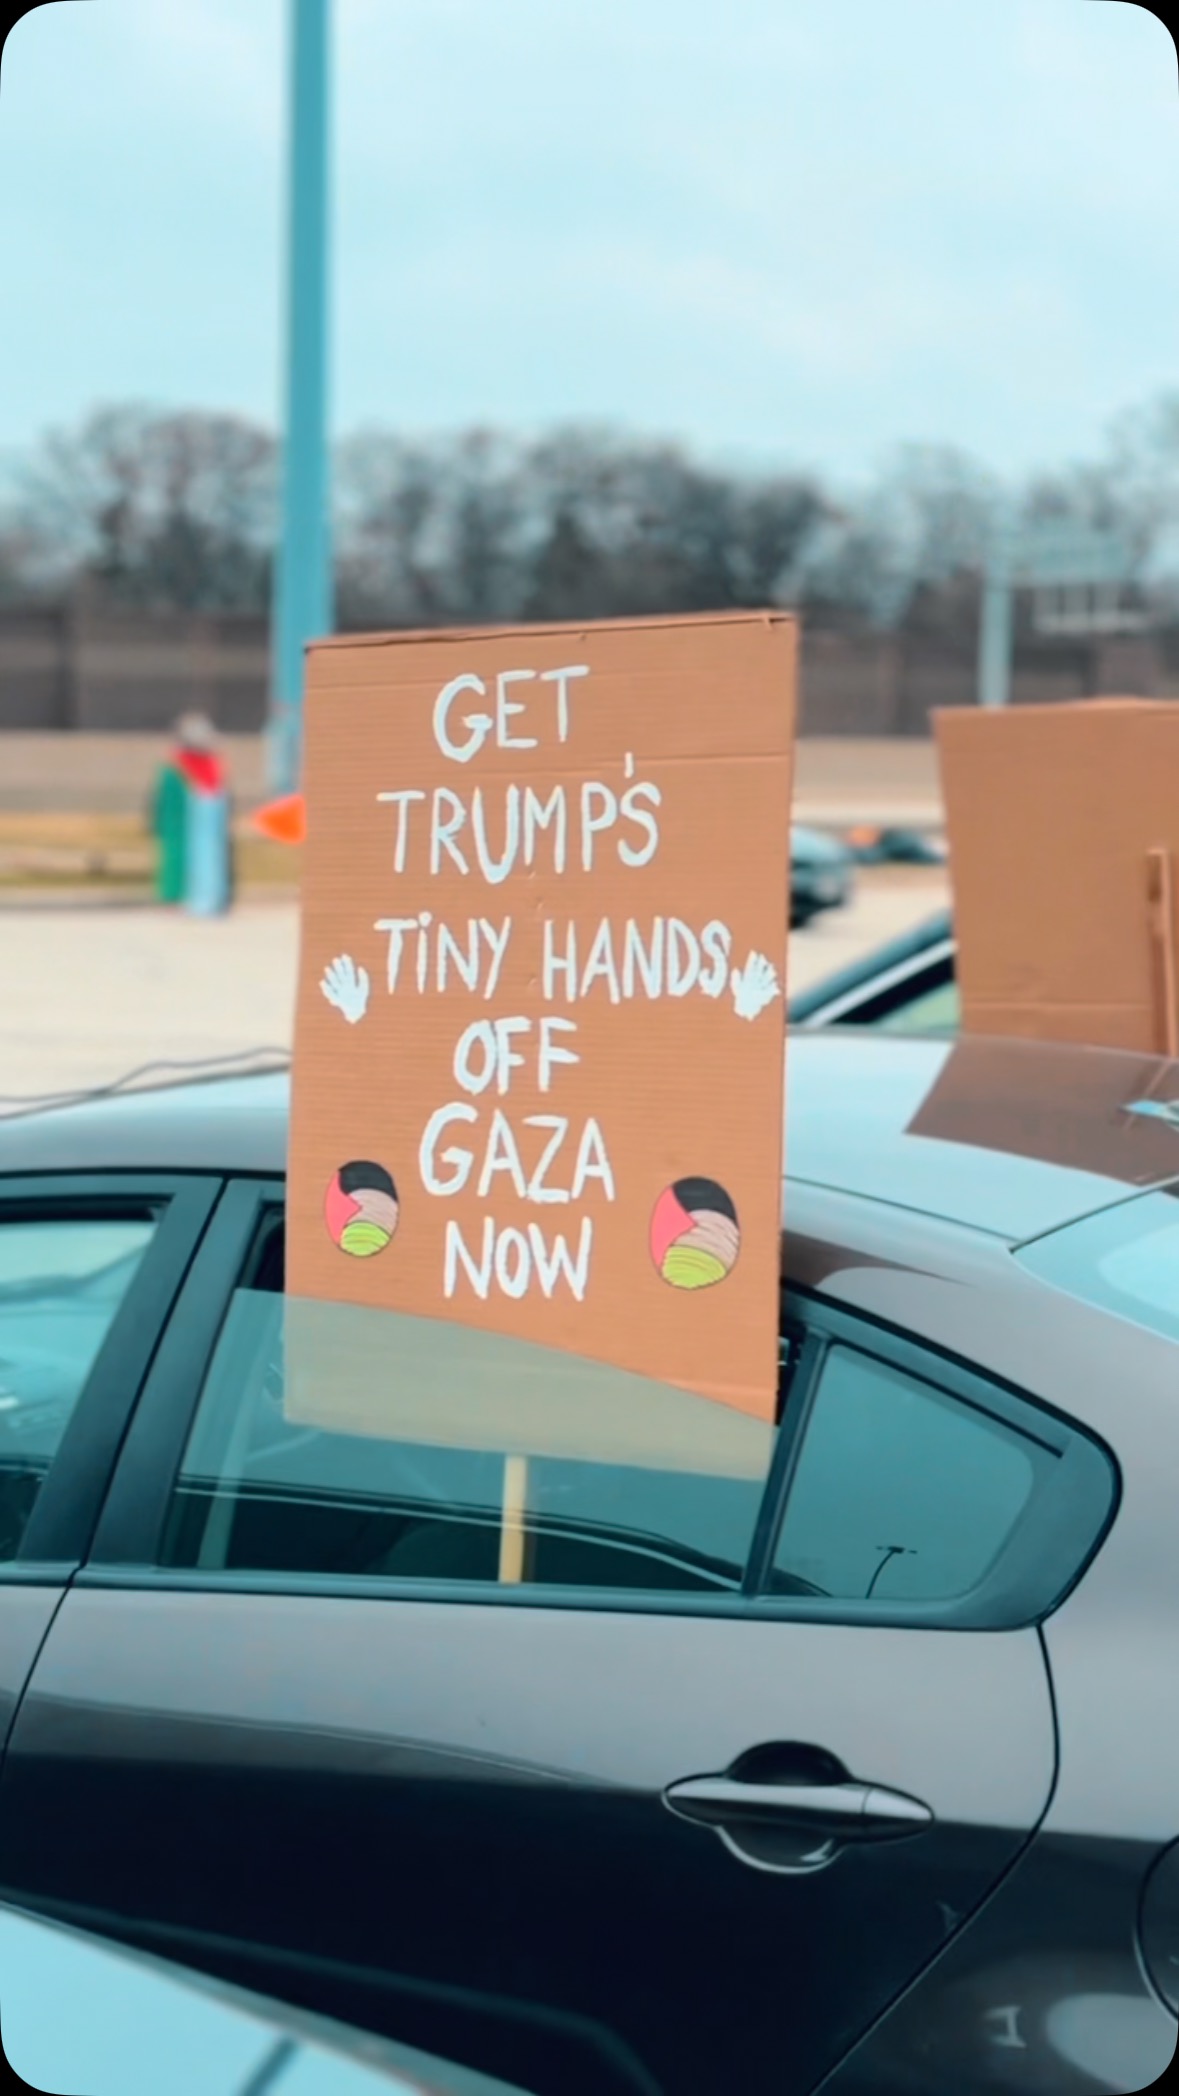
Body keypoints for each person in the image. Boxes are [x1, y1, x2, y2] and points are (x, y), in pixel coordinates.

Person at [151, 713, 233, 913]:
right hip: (191, 815)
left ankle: (209, 898)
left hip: (207, 812)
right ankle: (188, 897)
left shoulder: (209, 761)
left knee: (209, 856)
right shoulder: (178, 763)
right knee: (190, 855)